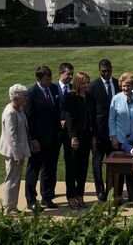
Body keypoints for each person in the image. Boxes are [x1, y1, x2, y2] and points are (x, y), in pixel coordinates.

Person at [24, 65, 61, 211]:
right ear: (38, 79)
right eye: (47, 79)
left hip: (53, 138)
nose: (50, 81)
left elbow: (56, 111)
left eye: (50, 78)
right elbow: (29, 118)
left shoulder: (53, 89)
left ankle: (47, 196)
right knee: (34, 169)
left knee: (50, 169)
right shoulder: (31, 94)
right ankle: (31, 199)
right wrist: (33, 139)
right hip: (38, 140)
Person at [0, 84, 31, 215]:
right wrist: (17, 155)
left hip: (18, 150)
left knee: (15, 180)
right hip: (12, 152)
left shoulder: (18, 108)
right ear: (16, 98)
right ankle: (8, 209)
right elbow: (11, 137)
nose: (26, 99)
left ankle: (13, 206)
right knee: (11, 180)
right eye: (24, 97)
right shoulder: (10, 113)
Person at [64, 71, 95, 209]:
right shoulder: (70, 97)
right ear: (77, 83)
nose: (86, 85)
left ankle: (80, 196)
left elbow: (92, 118)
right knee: (72, 168)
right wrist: (73, 137)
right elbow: (69, 119)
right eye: (83, 83)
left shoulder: (89, 97)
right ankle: (71, 197)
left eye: (87, 82)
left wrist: (93, 136)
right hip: (73, 138)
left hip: (86, 137)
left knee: (83, 168)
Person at [90, 58, 119, 202]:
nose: (107, 73)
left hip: (115, 132)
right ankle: (100, 190)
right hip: (99, 132)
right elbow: (91, 112)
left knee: (116, 162)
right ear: (99, 70)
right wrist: (94, 134)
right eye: (104, 71)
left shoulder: (117, 83)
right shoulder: (93, 86)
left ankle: (113, 190)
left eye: (109, 70)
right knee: (97, 161)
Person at [108, 72, 133, 151]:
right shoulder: (115, 99)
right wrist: (113, 137)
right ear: (121, 86)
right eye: (124, 86)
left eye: (128, 86)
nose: (126, 88)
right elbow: (111, 119)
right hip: (119, 138)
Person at [55, 62, 74, 200]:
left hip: (70, 132)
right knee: (51, 163)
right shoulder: (53, 89)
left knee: (70, 162)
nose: (71, 76)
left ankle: (70, 192)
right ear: (60, 74)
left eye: (72, 73)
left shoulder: (73, 89)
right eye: (68, 73)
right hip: (55, 131)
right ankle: (48, 194)